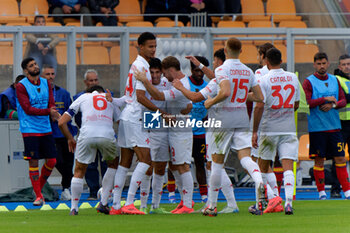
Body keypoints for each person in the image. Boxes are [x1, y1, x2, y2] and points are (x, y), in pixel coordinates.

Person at [201, 37, 264, 216]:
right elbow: (259, 97)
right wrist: (242, 94)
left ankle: (211, 205)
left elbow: (226, 91)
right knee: (245, 158)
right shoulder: (248, 71)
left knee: (217, 164)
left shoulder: (222, 69)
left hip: (223, 120)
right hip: (242, 118)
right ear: (241, 51)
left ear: (226, 51)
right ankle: (259, 183)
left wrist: (210, 102)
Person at [173, 49, 239, 214]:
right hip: (230, 122)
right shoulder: (233, 75)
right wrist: (200, 65)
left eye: (215, 61)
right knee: (213, 164)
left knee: (214, 164)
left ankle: (222, 204)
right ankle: (218, 202)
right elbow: (214, 76)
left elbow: (195, 98)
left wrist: (180, 88)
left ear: (220, 61)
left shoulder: (217, 80)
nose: (214, 64)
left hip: (217, 126)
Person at [134, 56, 195, 214]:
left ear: (166, 72)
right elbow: (138, 99)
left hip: (175, 126)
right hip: (155, 122)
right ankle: (149, 205)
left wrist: (185, 109)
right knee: (155, 165)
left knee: (179, 165)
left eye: (158, 73)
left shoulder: (172, 83)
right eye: (151, 73)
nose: (155, 76)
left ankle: (186, 202)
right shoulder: (146, 82)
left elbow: (183, 101)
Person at [110, 32, 160, 215]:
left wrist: (114, 100)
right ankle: (130, 202)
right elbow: (140, 97)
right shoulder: (143, 66)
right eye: (150, 46)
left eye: (155, 46)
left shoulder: (135, 65)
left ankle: (116, 205)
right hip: (136, 117)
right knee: (146, 160)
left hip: (127, 117)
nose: (153, 50)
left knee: (125, 162)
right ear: (139, 46)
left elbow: (128, 95)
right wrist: (161, 112)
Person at [58, 85, 123, 215]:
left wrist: (70, 139)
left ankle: (74, 208)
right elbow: (121, 121)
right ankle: (104, 203)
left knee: (79, 170)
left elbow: (61, 122)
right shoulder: (110, 99)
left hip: (86, 135)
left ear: (88, 92)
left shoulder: (83, 97)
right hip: (107, 135)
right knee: (113, 165)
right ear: (102, 92)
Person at [252, 48, 300, 215]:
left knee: (263, 167)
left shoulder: (264, 80)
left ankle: (261, 203)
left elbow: (259, 105)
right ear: (281, 60)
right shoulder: (293, 77)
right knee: (287, 167)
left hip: (269, 129)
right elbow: (296, 104)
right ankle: (288, 203)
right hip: (288, 129)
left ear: (266, 61)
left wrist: (254, 131)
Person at [302, 52, 350, 200]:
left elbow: (342, 100)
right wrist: (324, 99)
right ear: (314, 65)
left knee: (340, 159)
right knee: (319, 161)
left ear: (328, 63)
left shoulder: (334, 80)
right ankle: (321, 193)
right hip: (317, 129)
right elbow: (308, 102)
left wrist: (333, 104)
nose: (322, 66)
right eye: (319, 63)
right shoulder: (308, 82)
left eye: (324, 63)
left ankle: (347, 192)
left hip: (335, 127)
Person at [16, 57, 60, 206]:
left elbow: (51, 102)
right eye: (31, 65)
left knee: (52, 160)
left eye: (35, 64)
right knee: (33, 161)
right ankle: (39, 196)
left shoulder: (46, 82)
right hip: (29, 128)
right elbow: (28, 109)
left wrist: (53, 111)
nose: (35, 66)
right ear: (26, 70)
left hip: (45, 127)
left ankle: (37, 191)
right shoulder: (21, 86)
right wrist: (49, 112)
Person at [253, 43, 283, 211]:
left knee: (253, 162)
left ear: (264, 56)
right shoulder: (283, 74)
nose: (258, 58)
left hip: (263, 123)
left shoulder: (260, 73)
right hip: (279, 122)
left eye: (259, 55)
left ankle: (272, 197)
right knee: (267, 163)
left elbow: (258, 98)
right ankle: (276, 197)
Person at [41, 65, 77, 200]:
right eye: (47, 74)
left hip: (64, 132)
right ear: (41, 77)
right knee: (57, 161)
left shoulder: (63, 93)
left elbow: (70, 111)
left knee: (68, 161)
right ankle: (63, 184)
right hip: (48, 133)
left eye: (52, 74)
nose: (50, 76)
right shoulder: (39, 93)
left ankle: (66, 189)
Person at [73, 69, 107, 200]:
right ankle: (93, 191)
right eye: (91, 80)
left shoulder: (105, 95)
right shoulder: (79, 97)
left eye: (95, 80)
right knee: (89, 164)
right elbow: (77, 118)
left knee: (106, 163)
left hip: (104, 135)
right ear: (85, 82)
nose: (93, 83)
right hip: (88, 135)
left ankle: (106, 190)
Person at [187, 56, 209, 203]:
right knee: (179, 163)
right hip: (185, 131)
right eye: (196, 71)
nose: (199, 74)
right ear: (191, 70)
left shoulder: (208, 86)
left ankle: (204, 196)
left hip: (200, 132)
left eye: (201, 71)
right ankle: (171, 195)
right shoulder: (186, 84)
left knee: (200, 163)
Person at [333, 54, 350, 198]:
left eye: (348, 64)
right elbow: (344, 98)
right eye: (344, 64)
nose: (346, 67)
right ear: (339, 66)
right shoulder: (337, 79)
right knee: (338, 157)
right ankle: (335, 188)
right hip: (341, 124)